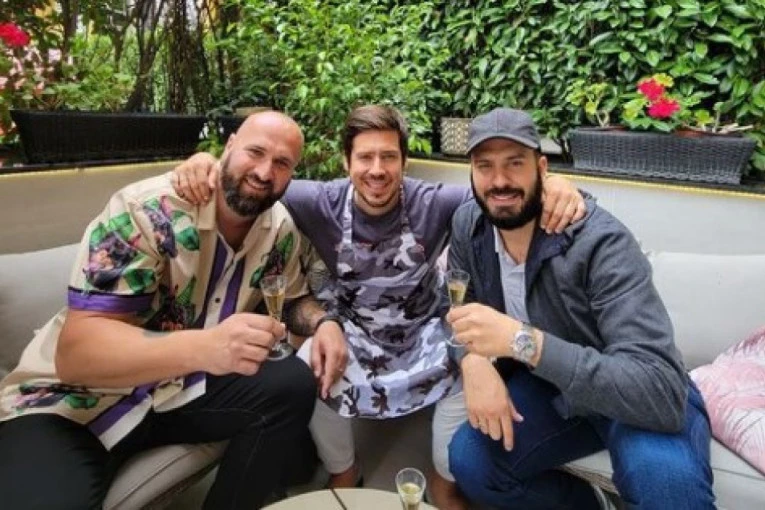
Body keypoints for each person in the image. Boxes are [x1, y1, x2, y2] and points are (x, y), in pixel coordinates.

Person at [172, 105, 586, 509]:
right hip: (354, 328)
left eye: (388, 156)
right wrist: (205, 162)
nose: (377, 170)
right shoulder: (319, 200)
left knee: (470, 368)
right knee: (309, 365)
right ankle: (344, 469)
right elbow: (255, 181)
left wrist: (555, 184)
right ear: (346, 162)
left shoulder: (435, 201)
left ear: (404, 161)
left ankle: (445, 482)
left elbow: (498, 192)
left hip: (426, 328)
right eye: (365, 157)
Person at [0, 111, 348, 510]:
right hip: (72, 403)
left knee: (293, 383)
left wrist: (324, 323)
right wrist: (208, 347)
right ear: (229, 146)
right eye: (255, 152)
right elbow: (77, 355)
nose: (265, 172)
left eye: (282, 163)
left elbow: (290, 300)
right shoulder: (147, 211)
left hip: (179, 391)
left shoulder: (279, 227)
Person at [445, 107, 716, 509]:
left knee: (667, 486)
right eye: (485, 166)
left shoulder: (601, 242)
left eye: (515, 163)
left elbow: (658, 391)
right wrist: (471, 360)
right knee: (471, 460)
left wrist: (521, 341)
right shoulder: (470, 226)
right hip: (552, 392)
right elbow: (455, 307)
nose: (499, 181)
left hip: (630, 394)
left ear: (541, 169)